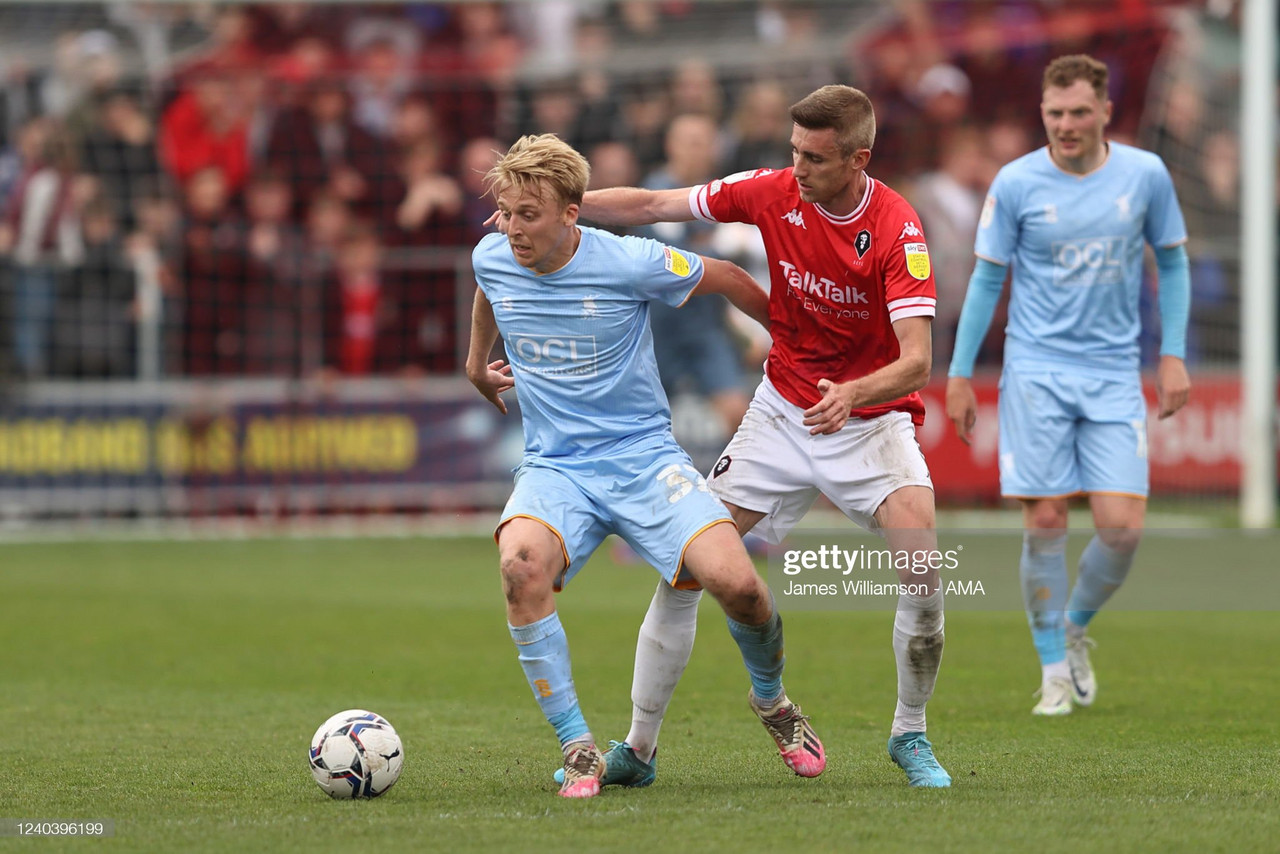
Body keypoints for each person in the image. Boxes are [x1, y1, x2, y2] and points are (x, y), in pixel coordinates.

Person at [576, 84, 951, 788]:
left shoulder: (898, 229)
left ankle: (910, 734)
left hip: (868, 422)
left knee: (925, 573)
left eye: (815, 157)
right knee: (686, 569)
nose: (799, 168)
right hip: (780, 412)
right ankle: (640, 747)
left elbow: (917, 360)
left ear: (858, 158)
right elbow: (655, 206)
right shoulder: (770, 190)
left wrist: (854, 393)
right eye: (793, 152)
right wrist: (571, 203)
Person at [467, 133, 825, 799]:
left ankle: (773, 703)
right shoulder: (493, 253)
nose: (513, 230)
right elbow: (490, 284)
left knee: (739, 586)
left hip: (643, 459)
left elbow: (728, 277)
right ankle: (578, 748)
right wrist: (474, 362)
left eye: (529, 215)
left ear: (571, 214)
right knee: (519, 567)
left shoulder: (628, 261)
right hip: (556, 468)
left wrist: (795, 343)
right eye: (506, 213)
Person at [944, 55, 1191, 716]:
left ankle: (1074, 625)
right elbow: (987, 279)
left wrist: (1173, 354)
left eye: (1079, 112)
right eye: (1055, 114)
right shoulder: (1017, 182)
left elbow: (1172, 263)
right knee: (1047, 518)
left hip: (1114, 372)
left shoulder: (1145, 175)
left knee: (1121, 529)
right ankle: (1053, 666)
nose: (1066, 125)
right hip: (1037, 372)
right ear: (1043, 115)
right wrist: (962, 374)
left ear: (1105, 110)